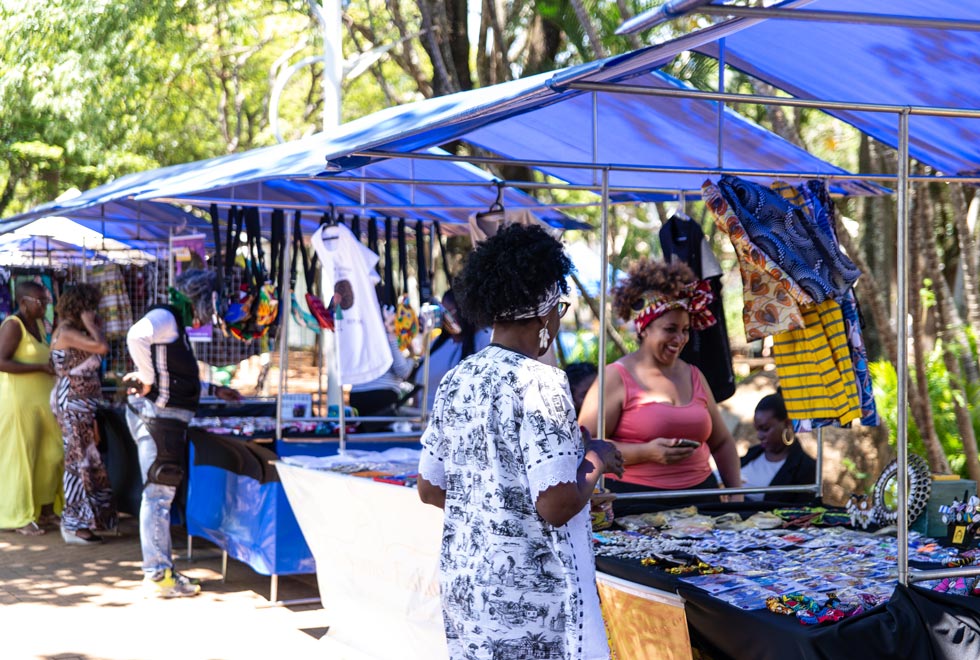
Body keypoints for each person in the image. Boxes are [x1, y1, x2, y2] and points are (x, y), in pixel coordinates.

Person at [417, 224, 623, 660]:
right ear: (545, 308)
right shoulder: (540, 382)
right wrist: (597, 458)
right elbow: (555, 504)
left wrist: (496, 506)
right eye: (560, 306)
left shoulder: (456, 380)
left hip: (469, 589)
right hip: (528, 605)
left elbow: (430, 488)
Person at [578, 258, 742, 513]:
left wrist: (736, 497)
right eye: (670, 329)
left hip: (702, 501)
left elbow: (721, 442)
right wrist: (645, 453)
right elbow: (584, 445)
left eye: (686, 330)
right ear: (644, 328)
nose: (680, 339)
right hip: (636, 505)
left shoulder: (695, 375)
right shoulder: (615, 377)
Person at [124, 269, 241, 597]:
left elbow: (175, 374)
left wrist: (214, 390)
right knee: (158, 495)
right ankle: (158, 574)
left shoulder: (175, 322)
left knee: (160, 494)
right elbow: (136, 336)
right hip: (158, 420)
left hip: (166, 420)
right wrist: (146, 379)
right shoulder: (165, 316)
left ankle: (160, 571)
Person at [50, 283, 116, 544]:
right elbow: (101, 348)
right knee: (78, 462)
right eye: (91, 306)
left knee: (87, 460)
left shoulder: (72, 330)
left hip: (83, 403)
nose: (95, 311)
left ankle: (86, 520)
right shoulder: (66, 331)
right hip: (73, 403)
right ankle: (74, 524)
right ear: (81, 307)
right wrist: (91, 323)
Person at [0, 281, 64, 536]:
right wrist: (39, 368)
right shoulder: (12, 326)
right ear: (24, 301)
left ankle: (45, 509)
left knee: (52, 453)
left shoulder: (37, 324)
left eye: (47, 301)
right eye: (42, 302)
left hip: (42, 401)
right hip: (18, 402)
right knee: (22, 458)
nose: (45, 306)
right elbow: (1, 361)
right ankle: (18, 516)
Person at [414, 288, 492, 411]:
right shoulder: (439, 342)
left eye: (448, 313)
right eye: (442, 312)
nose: (445, 319)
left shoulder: (484, 338)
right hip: (420, 423)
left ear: (464, 312)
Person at [741, 391, 817, 504]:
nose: (759, 436)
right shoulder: (752, 453)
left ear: (787, 424)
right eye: (758, 429)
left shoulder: (805, 467)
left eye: (765, 429)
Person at [349, 305, 416, 431]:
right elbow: (403, 371)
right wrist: (412, 355)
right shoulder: (388, 337)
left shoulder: (360, 335)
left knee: (363, 434)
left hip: (357, 395)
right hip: (382, 395)